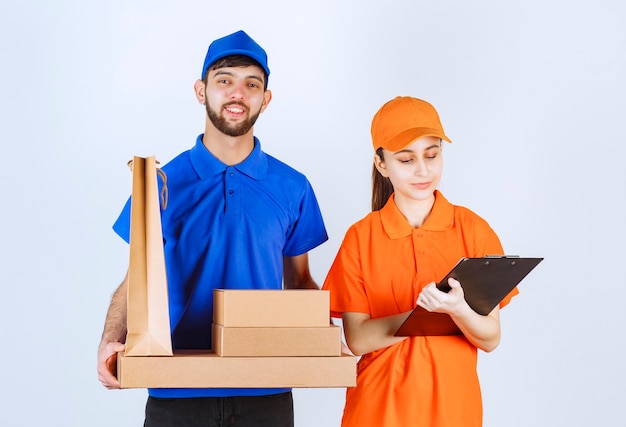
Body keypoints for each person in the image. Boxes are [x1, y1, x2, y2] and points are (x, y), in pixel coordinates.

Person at [96, 30, 328, 427]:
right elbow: (136, 276)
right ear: (201, 91)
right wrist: (109, 338)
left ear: (265, 99)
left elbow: (300, 281)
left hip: (266, 391)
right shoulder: (159, 183)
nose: (238, 93)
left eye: (251, 84)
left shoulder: (293, 187)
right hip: (176, 388)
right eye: (224, 80)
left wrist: (325, 337)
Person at [322, 96, 518, 426]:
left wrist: (456, 309)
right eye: (406, 159)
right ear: (382, 164)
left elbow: (490, 337)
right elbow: (357, 339)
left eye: (432, 154)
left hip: (454, 412)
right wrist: (423, 316)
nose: (423, 170)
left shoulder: (473, 230)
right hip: (377, 411)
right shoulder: (362, 237)